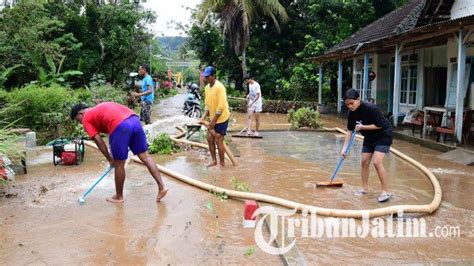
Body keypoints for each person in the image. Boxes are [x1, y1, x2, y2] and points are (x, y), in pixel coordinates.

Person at [70, 102, 168, 203]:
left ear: (81, 113)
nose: (81, 123)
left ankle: (119, 196)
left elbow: (99, 141)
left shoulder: (86, 118)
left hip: (119, 125)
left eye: (78, 120)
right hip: (134, 120)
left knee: (119, 164)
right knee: (146, 157)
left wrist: (110, 159)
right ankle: (162, 187)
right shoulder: (99, 107)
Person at [342, 88, 393, 202]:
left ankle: (385, 191)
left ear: (358, 99)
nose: (350, 106)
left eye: (352, 103)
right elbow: (349, 131)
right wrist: (344, 149)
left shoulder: (370, 108)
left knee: (376, 162)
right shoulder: (351, 114)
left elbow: (379, 125)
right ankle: (364, 188)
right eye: (347, 104)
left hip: (383, 134)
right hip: (369, 136)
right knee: (364, 161)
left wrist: (363, 127)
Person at [199, 66, 230, 168]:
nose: (206, 79)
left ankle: (222, 163)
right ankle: (214, 161)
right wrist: (203, 118)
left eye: (207, 77)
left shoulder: (220, 87)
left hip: (221, 117)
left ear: (213, 76)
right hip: (213, 117)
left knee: (218, 140)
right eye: (205, 77)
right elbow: (207, 106)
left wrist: (213, 122)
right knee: (209, 138)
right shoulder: (207, 88)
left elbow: (220, 108)